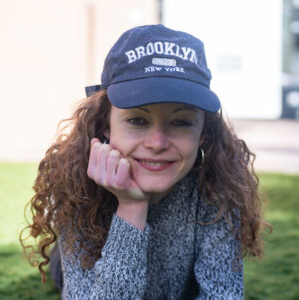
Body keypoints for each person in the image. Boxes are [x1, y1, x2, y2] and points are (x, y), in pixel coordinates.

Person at [20, 24, 270, 299]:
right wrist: (131, 207)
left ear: (203, 135)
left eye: (182, 121)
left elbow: (222, 295)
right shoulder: (79, 191)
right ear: (105, 126)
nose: (157, 142)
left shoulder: (216, 190)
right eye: (138, 120)